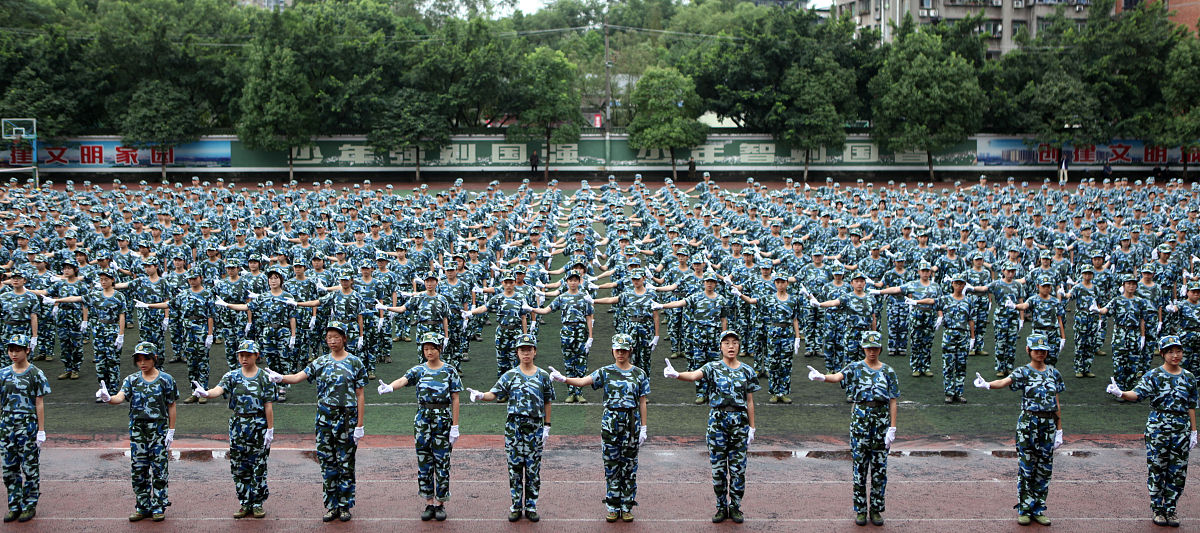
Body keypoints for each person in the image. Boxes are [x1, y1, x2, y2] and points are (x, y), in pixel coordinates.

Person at [264, 321, 366, 522]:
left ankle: (345, 505)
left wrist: (360, 425)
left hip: (346, 417)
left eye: (337, 337)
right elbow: (298, 377)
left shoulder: (355, 362)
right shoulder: (320, 362)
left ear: (344, 338)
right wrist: (281, 378)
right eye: (329, 338)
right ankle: (331, 506)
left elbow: (360, 395)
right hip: (325, 418)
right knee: (327, 462)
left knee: (346, 463)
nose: (333, 341)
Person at [549, 333, 649, 522]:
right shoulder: (605, 372)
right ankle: (612, 506)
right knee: (611, 465)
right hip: (610, 421)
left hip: (631, 422)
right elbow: (583, 381)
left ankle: (627, 506)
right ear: (612, 351)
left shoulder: (639, 373)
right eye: (618, 350)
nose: (621, 353)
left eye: (624, 350)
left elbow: (642, 402)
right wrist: (564, 379)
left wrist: (644, 427)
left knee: (629, 466)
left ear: (630, 351)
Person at [662, 329, 758, 524]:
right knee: (718, 468)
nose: (731, 346)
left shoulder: (747, 370)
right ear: (720, 346)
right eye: (726, 343)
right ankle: (721, 506)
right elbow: (694, 376)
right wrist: (677, 374)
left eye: (734, 342)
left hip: (739, 421)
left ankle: (736, 507)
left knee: (738, 469)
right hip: (718, 421)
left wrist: (752, 427)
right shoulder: (712, 367)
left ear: (739, 346)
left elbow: (750, 402)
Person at [807, 330, 898, 526]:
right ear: (863, 348)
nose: (871, 351)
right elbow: (839, 376)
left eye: (875, 348)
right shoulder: (855, 367)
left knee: (879, 469)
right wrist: (822, 377)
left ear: (880, 349)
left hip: (881, 422)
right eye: (868, 348)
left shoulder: (888, 371)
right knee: (860, 468)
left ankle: (876, 509)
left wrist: (892, 427)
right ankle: (860, 509)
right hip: (860, 422)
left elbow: (893, 400)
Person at [1105, 335, 1198, 528]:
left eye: (1178, 351)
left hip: (1181, 428)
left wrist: (1194, 431)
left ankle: (1171, 509)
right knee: (1158, 468)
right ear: (1163, 353)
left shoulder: (1189, 377)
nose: (1175, 355)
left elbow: (1191, 406)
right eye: (1171, 351)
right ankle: (1158, 509)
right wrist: (1121, 393)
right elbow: (1137, 394)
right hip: (1158, 427)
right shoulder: (1154, 376)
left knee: (1178, 471)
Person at [973, 333, 1064, 526]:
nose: (1040, 353)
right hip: (1028, 424)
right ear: (1028, 350)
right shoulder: (1023, 372)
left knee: (1044, 469)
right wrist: (988, 384)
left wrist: (1059, 430)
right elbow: (1005, 381)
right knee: (1027, 467)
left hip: (1048, 425)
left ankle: (1039, 508)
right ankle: (1024, 508)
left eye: (1043, 350)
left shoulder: (1054, 373)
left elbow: (1056, 402)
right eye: (1036, 350)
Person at [465, 333, 554, 522]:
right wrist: (481, 395)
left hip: (535, 427)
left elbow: (548, 401)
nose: (526, 353)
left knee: (532, 470)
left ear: (535, 352)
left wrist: (547, 425)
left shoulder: (543, 376)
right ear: (517, 353)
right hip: (514, 427)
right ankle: (515, 506)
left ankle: (530, 506)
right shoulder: (510, 375)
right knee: (514, 469)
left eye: (529, 349)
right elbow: (494, 393)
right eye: (522, 350)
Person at [376, 331, 462, 522]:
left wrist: (455, 425)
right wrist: (390, 387)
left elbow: (455, 398)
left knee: (442, 463)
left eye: (432, 348)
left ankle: (440, 503)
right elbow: (404, 379)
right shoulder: (419, 370)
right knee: (424, 462)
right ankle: (429, 502)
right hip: (423, 419)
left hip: (442, 419)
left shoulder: (449, 370)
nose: (429, 352)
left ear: (439, 348)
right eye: (426, 348)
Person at [191, 340, 277, 519]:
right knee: (239, 466)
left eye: (248, 355)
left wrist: (270, 429)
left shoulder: (263, 378)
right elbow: (219, 389)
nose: (244, 358)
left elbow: (268, 405)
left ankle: (258, 503)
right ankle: (245, 503)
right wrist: (207, 393)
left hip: (258, 424)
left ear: (256, 356)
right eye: (241, 355)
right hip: (238, 424)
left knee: (258, 465)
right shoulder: (232, 376)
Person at [97, 341, 178, 522]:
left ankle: (158, 506)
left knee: (159, 469)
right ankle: (142, 506)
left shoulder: (166, 380)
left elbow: (172, 405)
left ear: (155, 358)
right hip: (138, 430)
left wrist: (171, 431)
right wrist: (108, 398)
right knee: (138, 469)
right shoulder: (132, 380)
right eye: (139, 359)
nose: (142, 362)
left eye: (146, 358)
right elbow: (120, 396)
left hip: (158, 429)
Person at [0, 334, 48, 523]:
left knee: (29, 468)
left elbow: (39, 403)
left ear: (27, 350)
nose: (14, 354)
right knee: (9, 468)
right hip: (7, 425)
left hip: (27, 426)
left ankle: (29, 505)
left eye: (18, 350)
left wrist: (41, 430)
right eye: (11, 350)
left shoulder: (35, 373)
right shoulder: (3, 373)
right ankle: (14, 505)